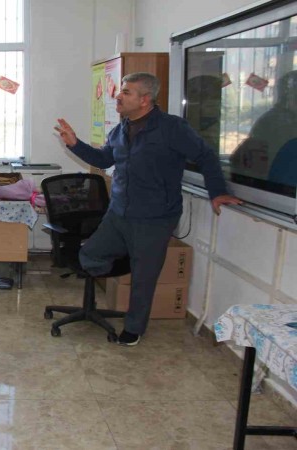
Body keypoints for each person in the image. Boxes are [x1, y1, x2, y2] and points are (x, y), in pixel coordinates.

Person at [54, 72, 241, 346]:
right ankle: (132, 256)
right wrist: (75, 143)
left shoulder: (172, 128)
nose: (118, 96)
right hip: (118, 213)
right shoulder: (120, 129)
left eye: (126, 92)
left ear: (145, 99)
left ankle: (134, 328)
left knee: (144, 277)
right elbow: (104, 159)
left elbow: (205, 155)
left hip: (154, 217)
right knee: (90, 255)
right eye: (121, 90)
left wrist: (218, 191)